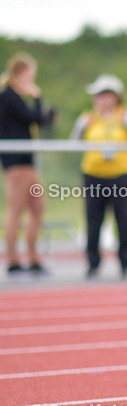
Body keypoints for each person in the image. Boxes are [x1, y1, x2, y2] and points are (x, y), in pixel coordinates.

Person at [71, 74, 127, 279]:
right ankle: (93, 263)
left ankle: (125, 262)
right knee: (93, 222)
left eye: (104, 95)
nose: (99, 99)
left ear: (115, 97)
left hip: (122, 176)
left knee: (125, 222)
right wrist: (81, 127)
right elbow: (74, 143)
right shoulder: (88, 118)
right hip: (94, 175)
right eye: (97, 95)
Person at [0, 53, 57, 279]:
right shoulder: (8, 96)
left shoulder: (14, 97)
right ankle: (13, 262)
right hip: (16, 162)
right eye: (31, 74)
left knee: (37, 207)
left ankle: (33, 259)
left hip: (27, 161)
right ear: (22, 73)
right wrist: (38, 97)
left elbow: (38, 120)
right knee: (16, 210)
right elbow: (34, 118)